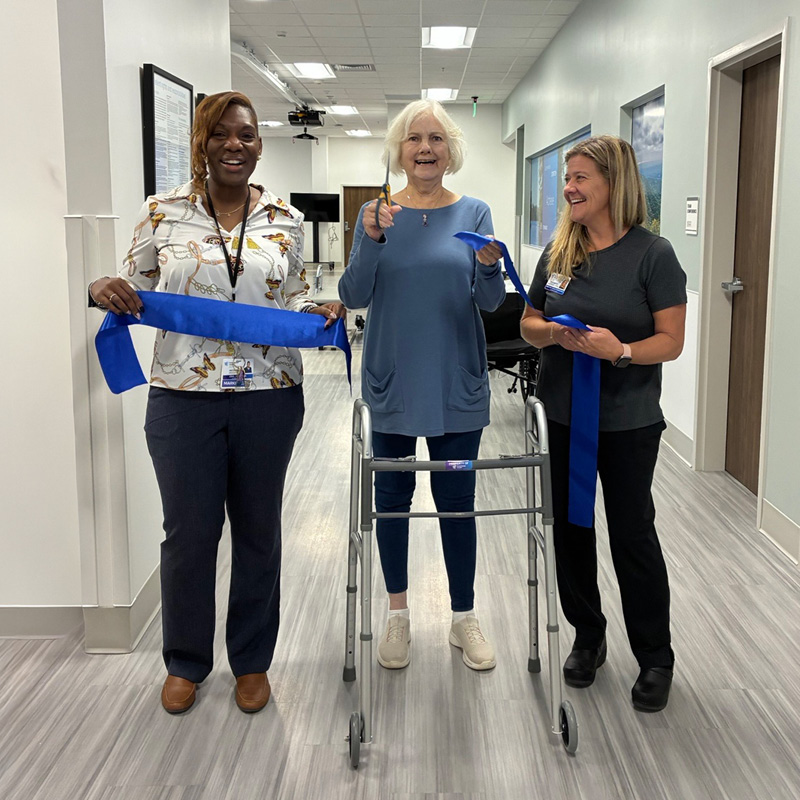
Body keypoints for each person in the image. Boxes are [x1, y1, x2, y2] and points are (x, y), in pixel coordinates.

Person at [88, 91, 345, 714]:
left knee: (259, 531)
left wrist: (322, 309)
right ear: (201, 142)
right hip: (184, 396)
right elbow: (136, 287)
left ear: (260, 144)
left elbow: (295, 296)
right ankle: (186, 661)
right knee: (189, 534)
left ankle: (252, 661)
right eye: (223, 135)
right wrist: (102, 288)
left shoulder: (283, 217)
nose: (236, 145)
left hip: (268, 395)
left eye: (248, 136)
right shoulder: (161, 213)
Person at [520, 135, 687, 712]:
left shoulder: (653, 254)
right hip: (563, 415)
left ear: (615, 184)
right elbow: (528, 323)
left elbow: (671, 342)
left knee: (632, 533)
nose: (569, 188)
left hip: (628, 422)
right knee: (572, 529)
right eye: (567, 177)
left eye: (581, 177)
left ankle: (656, 657)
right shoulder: (559, 251)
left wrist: (619, 351)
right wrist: (554, 334)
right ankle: (588, 636)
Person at [338, 99, 505, 672]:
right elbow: (355, 294)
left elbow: (491, 301)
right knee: (392, 503)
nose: (426, 147)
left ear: (450, 150)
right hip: (393, 383)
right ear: (399, 150)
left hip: (456, 384)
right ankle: (398, 616)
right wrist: (369, 238)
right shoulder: (378, 216)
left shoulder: (476, 212)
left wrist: (488, 267)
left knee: (458, 502)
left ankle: (463, 618)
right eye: (414, 139)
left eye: (436, 138)